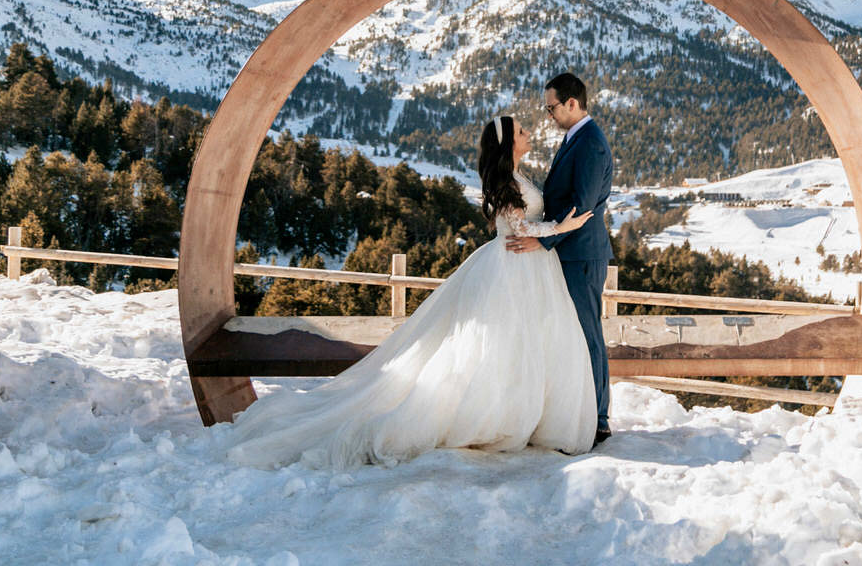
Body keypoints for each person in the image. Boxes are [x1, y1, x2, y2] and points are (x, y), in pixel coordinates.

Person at [224, 115, 596, 470]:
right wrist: (565, 226)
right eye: (520, 130)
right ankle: (495, 416)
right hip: (514, 266)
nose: (527, 133)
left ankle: (522, 412)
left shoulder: (515, 176)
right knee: (500, 344)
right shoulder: (507, 182)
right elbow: (518, 228)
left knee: (524, 344)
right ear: (507, 143)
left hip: (526, 267)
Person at [505, 71, 615, 446]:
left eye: (551, 107)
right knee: (570, 335)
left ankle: (598, 419)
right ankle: (576, 411)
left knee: (587, 336)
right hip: (570, 252)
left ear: (572, 103)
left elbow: (581, 206)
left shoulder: (589, 143)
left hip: (580, 254)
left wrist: (545, 243)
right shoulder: (576, 138)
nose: (547, 114)